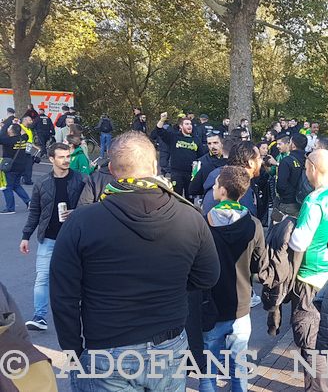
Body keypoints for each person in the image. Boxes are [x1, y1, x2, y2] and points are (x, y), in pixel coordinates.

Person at [50, 131, 220, 391]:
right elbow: (207, 276)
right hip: (169, 346)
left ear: (111, 170)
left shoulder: (82, 222)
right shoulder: (190, 216)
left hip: (107, 348)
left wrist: (73, 349)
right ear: (154, 166)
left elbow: (64, 295)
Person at [288, 149, 328, 392]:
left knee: (310, 342)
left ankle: (317, 388)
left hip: (309, 279)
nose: (305, 172)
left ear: (314, 169)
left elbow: (299, 242)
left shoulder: (314, 200)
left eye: (306, 168)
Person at [200, 166, 266, 392]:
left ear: (223, 191)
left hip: (212, 306)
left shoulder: (204, 223)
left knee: (208, 370)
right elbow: (258, 264)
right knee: (238, 368)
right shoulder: (254, 224)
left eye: (216, 184)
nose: (214, 188)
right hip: (241, 305)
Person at [19, 143, 85, 331]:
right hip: (48, 238)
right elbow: (35, 211)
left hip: (73, 239)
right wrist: (26, 236)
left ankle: (79, 317)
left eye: (68, 156)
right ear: (51, 159)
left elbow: (91, 205)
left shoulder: (81, 179)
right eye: (61, 157)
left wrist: (76, 212)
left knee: (76, 279)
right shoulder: (42, 182)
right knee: (42, 277)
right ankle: (39, 317)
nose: (66, 160)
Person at [156, 113, 201, 197]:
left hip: (191, 174)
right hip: (176, 173)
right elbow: (159, 130)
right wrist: (162, 120)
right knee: (176, 197)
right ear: (181, 126)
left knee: (190, 198)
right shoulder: (174, 137)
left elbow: (201, 156)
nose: (189, 126)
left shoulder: (196, 140)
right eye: (187, 124)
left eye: (190, 124)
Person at [0, 123, 32, 214]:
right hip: (21, 166)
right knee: (16, 185)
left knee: (7, 187)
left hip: (10, 167)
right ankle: (28, 202)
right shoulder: (23, 138)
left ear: (10, 131)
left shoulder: (7, 140)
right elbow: (25, 133)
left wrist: (3, 126)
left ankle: (10, 208)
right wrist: (19, 126)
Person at [275, 133, 308, 217]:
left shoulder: (286, 161)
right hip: (305, 201)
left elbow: (281, 185)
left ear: (293, 145)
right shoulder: (309, 160)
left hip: (288, 204)